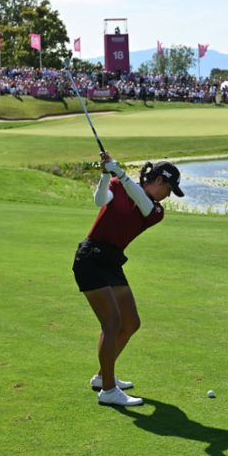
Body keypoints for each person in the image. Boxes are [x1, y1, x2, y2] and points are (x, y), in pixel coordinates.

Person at [73, 153, 185, 407]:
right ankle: (109, 391)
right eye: (168, 189)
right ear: (158, 180)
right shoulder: (118, 187)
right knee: (111, 323)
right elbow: (100, 200)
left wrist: (120, 174)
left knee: (131, 322)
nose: (168, 195)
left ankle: (103, 377)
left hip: (112, 262)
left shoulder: (155, 211)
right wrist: (105, 174)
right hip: (91, 258)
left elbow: (142, 204)